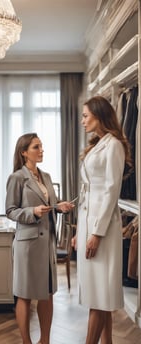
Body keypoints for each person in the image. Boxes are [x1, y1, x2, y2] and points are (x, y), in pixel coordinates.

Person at [73, 96, 132, 344]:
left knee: (99, 295)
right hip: (89, 223)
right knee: (99, 294)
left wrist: (96, 233)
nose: (83, 120)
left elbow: (110, 191)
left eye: (86, 115)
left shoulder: (114, 146)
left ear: (99, 115)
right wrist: (80, 230)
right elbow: (88, 192)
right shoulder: (100, 144)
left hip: (103, 227)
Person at [5, 133, 74, 344]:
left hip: (47, 245)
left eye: (42, 146)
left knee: (47, 293)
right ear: (24, 152)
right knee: (25, 295)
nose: (41, 150)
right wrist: (32, 211)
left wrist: (60, 207)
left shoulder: (46, 176)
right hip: (28, 245)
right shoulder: (17, 177)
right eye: (36, 147)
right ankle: (26, 341)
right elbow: (10, 210)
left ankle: (45, 340)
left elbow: (50, 204)